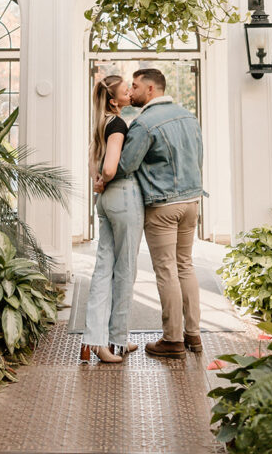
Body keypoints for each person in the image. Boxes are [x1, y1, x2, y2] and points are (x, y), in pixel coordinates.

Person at [95, 68, 204, 361]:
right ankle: (193, 334)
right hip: (192, 201)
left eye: (136, 86)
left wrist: (102, 180)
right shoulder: (188, 116)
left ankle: (172, 340)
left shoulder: (143, 124)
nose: (132, 91)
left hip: (162, 206)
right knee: (185, 266)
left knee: (166, 269)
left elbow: (126, 164)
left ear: (152, 89)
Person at [79, 74, 145, 364]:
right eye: (125, 90)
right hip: (123, 198)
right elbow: (108, 167)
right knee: (126, 270)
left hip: (105, 202)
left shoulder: (101, 122)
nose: (130, 92)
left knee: (104, 269)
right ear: (114, 100)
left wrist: (99, 183)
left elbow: (95, 164)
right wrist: (104, 179)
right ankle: (115, 339)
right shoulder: (118, 124)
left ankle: (99, 340)